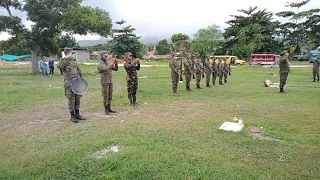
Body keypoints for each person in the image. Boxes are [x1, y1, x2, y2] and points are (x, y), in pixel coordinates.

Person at [57, 52, 86, 123]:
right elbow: (59, 66)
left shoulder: (74, 63)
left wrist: (82, 80)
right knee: (71, 100)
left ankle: (77, 114)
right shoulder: (63, 63)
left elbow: (79, 72)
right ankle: (72, 116)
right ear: (66, 54)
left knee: (77, 99)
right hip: (69, 85)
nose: (71, 55)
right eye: (70, 53)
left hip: (77, 84)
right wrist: (65, 58)